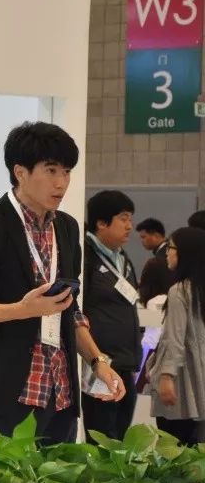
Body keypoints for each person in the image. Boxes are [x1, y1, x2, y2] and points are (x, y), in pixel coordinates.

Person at [0, 122, 124, 454]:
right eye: (51, 170)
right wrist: (22, 310)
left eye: (67, 171)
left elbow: (70, 309)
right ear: (20, 172)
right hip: (5, 396)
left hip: (60, 397)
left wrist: (98, 361)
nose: (62, 182)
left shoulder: (68, 228)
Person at [81, 190, 140, 443]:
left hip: (125, 362)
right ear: (101, 223)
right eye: (123, 218)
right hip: (99, 363)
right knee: (102, 440)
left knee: (122, 440)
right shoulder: (86, 256)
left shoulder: (123, 259)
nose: (130, 226)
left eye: (130, 219)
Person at [149, 227, 205, 446]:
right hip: (200, 380)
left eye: (171, 248)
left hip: (183, 382)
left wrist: (166, 376)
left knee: (173, 448)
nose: (167, 253)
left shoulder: (180, 291)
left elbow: (175, 337)